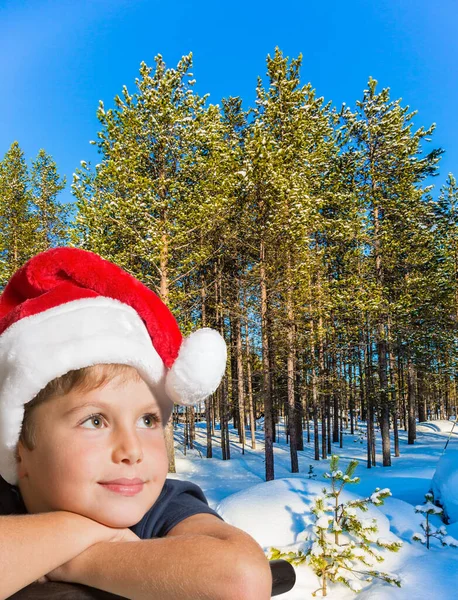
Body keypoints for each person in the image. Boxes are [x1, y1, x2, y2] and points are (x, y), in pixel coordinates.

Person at [0, 247, 272, 600]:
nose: (131, 450)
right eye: (95, 420)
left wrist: (74, 558)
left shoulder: (162, 505)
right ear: (19, 448)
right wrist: (77, 529)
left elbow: (241, 579)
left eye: (147, 419)